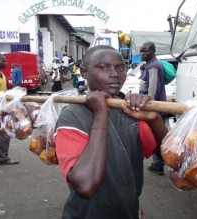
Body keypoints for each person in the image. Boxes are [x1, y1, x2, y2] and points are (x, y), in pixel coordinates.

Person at [54, 45, 167, 219]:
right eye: (104, 67)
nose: (115, 73)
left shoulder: (131, 111)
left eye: (120, 68)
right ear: (84, 72)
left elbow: (166, 156)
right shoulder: (72, 116)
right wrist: (100, 114)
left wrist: (153, 119)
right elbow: (85, 186)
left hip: (129, 211)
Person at [139, 41, 167, 176]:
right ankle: (159, 163)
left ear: (154, 51)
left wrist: (148, 105)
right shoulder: (149, 65)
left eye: (146, 51)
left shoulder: (154, 66)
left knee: (155, 136)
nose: (143, 53)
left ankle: (159, 164)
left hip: (154, 107)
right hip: (153, 107)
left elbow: (152, 92)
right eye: (141, 51)